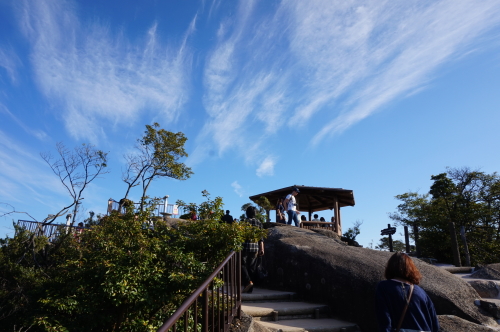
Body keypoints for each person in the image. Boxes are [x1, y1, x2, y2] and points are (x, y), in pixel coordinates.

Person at [376, 252, 439, 332]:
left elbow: (384, 316)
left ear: (390, 267)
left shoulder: (384, 287)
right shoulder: (420, 291)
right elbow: (434, 322)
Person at [241, 206, 264, 293]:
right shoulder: (259, 223)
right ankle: (250, 287)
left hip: (245, 246)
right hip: (255, 247)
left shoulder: (244, 221)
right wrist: (262, 248)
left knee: (242, 265)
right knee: (251, 267)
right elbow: (261, 237)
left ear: (247, 213)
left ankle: (248, 282)